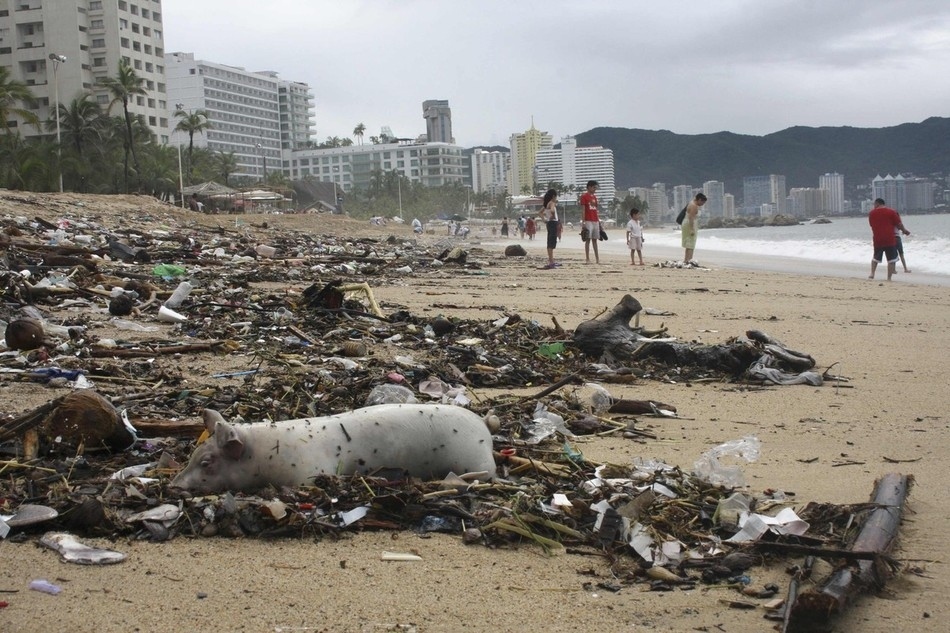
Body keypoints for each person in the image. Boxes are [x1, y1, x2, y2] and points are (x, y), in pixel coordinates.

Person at [868, 198, 910, 281]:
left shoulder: (871, 213)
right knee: (891, 259)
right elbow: (899, 224)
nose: (874, 206)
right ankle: (889, 278)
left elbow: (871, 225)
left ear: (877, 204)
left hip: (877, 238)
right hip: (889, 238)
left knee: (875, 257)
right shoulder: (891, 212)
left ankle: (872, 274)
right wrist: (904, 231)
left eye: (874, 205)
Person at [682, 193, 707, 265]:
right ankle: (688, 260)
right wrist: (691, 229)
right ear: (699, 200)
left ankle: (687, 260)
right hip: (689, 224)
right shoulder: (694, 206)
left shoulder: (691, 203)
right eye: (703, 202)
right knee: (690, 243)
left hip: (687, 223)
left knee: (689, 244)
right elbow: (691, 218)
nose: (702, 204)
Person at [579, 180, 600, 263]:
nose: (595, 189)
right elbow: (583, 210)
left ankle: (597, 259)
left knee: (595, 240)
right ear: (589, 187)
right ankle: (587, 258)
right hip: (588, 220)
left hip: (595, 220)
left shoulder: (594, 197)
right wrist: (583, 222)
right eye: (594, 187)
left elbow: (596, 210)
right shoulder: (584, 196)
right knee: (588, 239)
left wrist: (599, 222)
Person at [539, 188, 560, 269]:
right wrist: (553, 216)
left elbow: (539, 213)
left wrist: (545, 220)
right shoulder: (552, 203)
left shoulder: (546, 203)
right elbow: (552, 211)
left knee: (549, 242)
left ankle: (551, 261)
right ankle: (551, 262)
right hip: (553, 223)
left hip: (549, 223)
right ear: (554, 196)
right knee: (551, 243)